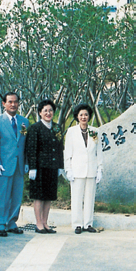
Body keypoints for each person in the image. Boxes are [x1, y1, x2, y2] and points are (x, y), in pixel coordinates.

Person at [0, 92, 29, 237]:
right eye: (10, 102)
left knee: (16, 196)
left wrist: (26, 163)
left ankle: (11, 223)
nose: (13, 104)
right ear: (4, 104)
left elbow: (25, 144)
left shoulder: (24, 121)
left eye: (15, 102)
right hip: (3, 165)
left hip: (19, 165)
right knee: (1, 196)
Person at [25, 99, 64, 234]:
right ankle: (39, 223)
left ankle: (46, 222)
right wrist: (32, 167)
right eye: (45, 111)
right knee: (39, 196)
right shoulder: (35, 128)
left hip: (53, 167)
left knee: (49, 196)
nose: (48, 113)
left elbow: (60, 148)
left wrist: (60, 166)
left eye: (51, 110)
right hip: (40, 168)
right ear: (40, 113)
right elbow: (31, 149)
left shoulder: (57, 128)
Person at [64, 103, 103, 234]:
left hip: (91, 169)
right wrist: (68, 169)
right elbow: (68, 151)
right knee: (76, 198)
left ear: (89, 116)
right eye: (81, 115)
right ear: (77, 116)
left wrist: (100, 169)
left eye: (86, 114)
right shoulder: (71, 132)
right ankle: (77, 224)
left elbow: (99, 151)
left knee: (90, 198)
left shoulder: (95, 131)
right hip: (77, 170)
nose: (83, 117)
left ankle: (88, 223)